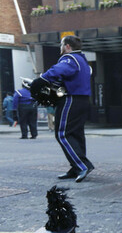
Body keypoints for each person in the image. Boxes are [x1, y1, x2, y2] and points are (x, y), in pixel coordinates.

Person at [29, 34, 95, 182]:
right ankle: (75, 167)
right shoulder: (83, 60)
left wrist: (41, 80)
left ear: (67, 46)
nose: (60, 48)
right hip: (83, 100)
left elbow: (58, 70)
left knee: (62, 134)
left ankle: (82, 165)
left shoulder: (70, 59)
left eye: (61, 45)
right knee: (76, 134)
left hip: (71, 99)